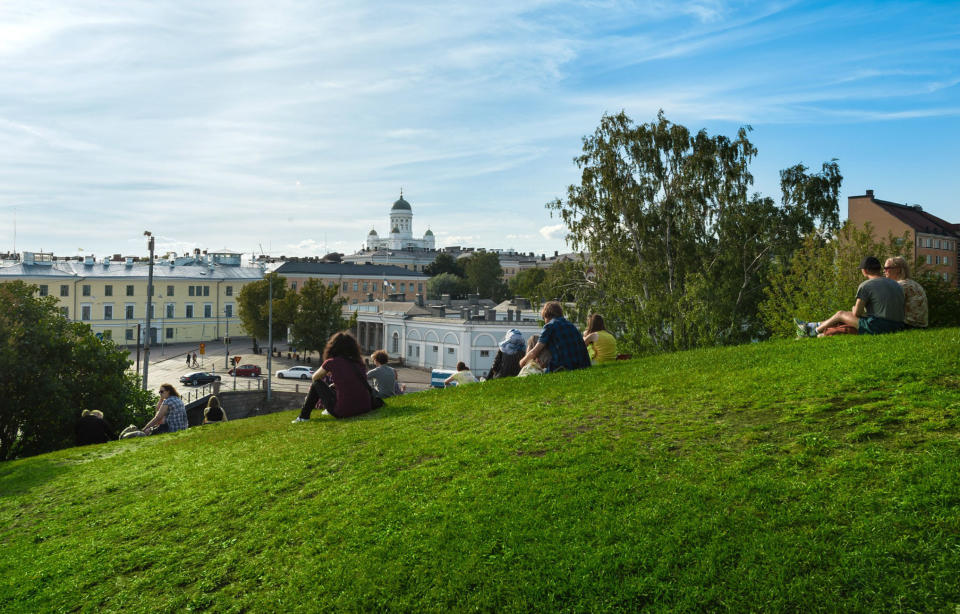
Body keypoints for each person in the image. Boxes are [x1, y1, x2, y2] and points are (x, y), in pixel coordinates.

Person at [795, 256, 905, 337]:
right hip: (899, 326)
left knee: (841, 314)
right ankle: (811, 326)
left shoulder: (866, 285)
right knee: (845, 317)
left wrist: (854, 308)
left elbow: (856, 313)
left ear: (864, 270)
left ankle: (813, 331)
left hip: (880, 326)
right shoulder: (895, 284)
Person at [293, 332, 374, 422]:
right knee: (333, 387)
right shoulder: (359, 363)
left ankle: (303, 416)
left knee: (317, 383)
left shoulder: (331, 362)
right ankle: (325, 410)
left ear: (333, 347)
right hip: (365, 407)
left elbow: (315, 378)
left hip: (344, 412)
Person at [519, 301, 591, 372]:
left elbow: (535, 351)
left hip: (562, 367)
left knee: (533, 339)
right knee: (535, 338)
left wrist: (522, 362)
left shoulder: (549, 326)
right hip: (582, 365)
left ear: (546, 316)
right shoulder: (571, 325)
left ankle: (526, 369)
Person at [884, 256, 928, 329]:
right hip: (922, 326)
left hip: (907, 325)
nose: (884, 271)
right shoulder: (915, 284)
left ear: (898, 270)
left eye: (887, 268)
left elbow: (888, 308)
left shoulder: (899, 286)